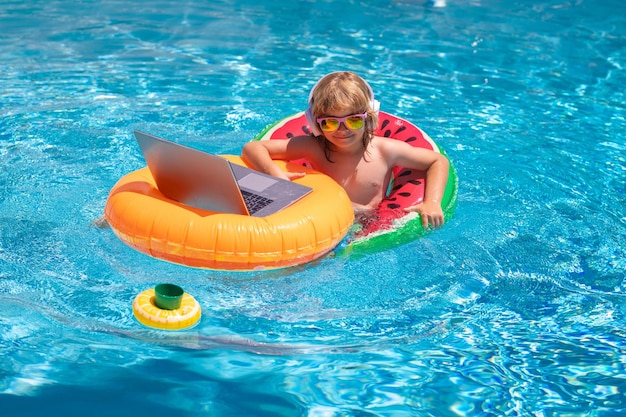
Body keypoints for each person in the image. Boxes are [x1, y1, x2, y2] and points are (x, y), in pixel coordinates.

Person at [242, 71, 450, 229]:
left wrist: (431, 202)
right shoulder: (313, 147)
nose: (343, 130)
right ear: (315, 124)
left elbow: (437, 161)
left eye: (353, 120)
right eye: (330, 123)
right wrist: (274, 172)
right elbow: (253, 148)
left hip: (367, 225)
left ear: (369, 118)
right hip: (321, 220)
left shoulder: (386, 151)